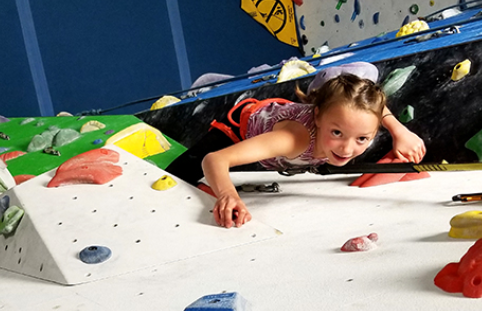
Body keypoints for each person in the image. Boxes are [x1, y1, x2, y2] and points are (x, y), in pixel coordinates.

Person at [166, 73, 426, 228]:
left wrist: (399, 131)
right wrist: (226, 196)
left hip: (291, 140)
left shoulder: (357, 118)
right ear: (318, 117)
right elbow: (216, 159)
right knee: (176, 178)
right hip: (238, 131)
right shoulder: (292, 140)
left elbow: (375, 108)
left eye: (362, 139)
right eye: (337, 133)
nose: (347, 149)